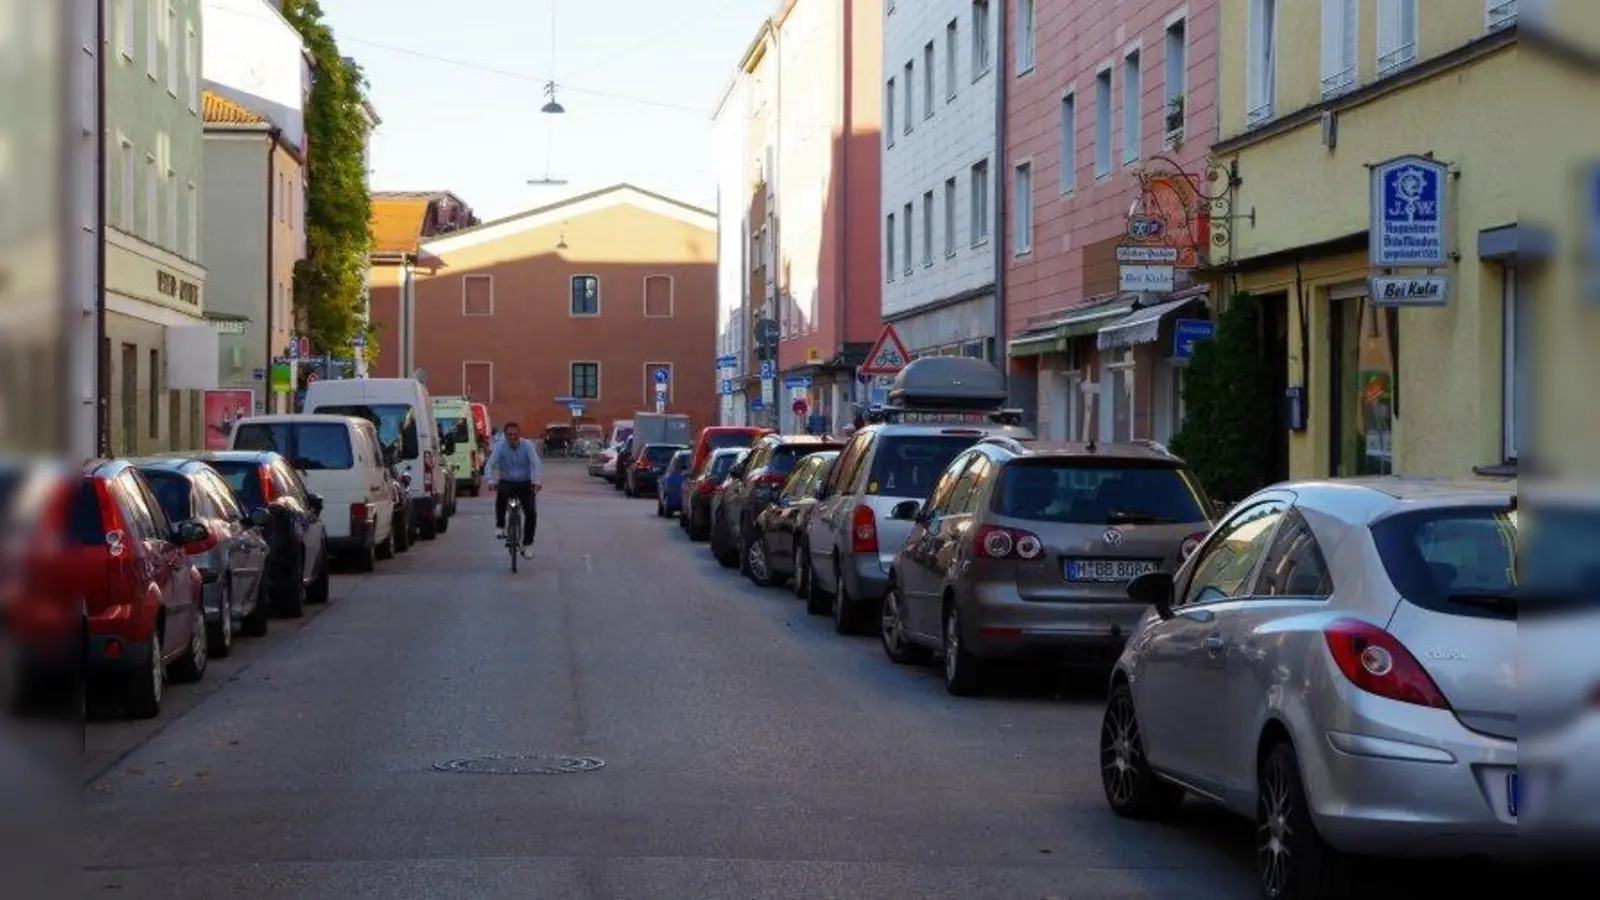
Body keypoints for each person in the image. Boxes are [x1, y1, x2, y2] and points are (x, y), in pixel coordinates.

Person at [484, 421, 542, 557]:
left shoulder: (527, 445)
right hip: (507, 482)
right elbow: (489, 465)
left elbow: (536, 464)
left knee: (531, 513)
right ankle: (500, 525)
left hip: (524, 483)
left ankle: (527, 545)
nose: (513, 437)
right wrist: (489, 480)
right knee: (501, 493)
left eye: (515, 434)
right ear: (505, 436)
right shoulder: (499, 447)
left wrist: (537, 481)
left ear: (520, 434)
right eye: (509, 435)